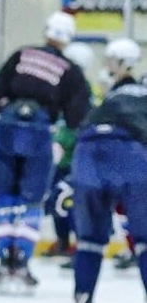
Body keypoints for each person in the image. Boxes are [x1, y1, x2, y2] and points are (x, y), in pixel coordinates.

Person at [0, 11, 91, 291]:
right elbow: (78, 117)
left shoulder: (22, 55)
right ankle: (23, 261)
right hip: (40, 133)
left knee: (4, 195)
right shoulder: (70, 70)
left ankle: (4, 259)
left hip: (7, 127)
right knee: (31, 198)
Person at [70, 36, 147, 303]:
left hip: (87, 151)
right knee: (145, 241)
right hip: (128, 154)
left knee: (89, 242)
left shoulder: (108, 99)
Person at [44, 40, 95, 262]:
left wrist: (62, 140)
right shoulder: (63, 89)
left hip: (76, 160)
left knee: (72, 205)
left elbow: (78, 127)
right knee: (56, 202)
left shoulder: (83, 92)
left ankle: (77, 244)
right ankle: (63, 241)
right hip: (61, 160)